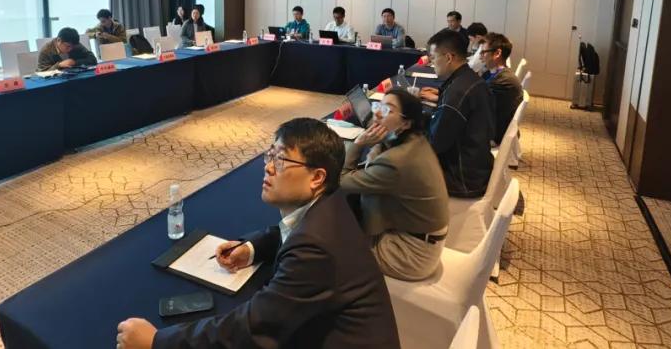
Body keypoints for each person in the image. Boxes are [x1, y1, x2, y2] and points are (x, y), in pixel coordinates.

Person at [116, 118, 399, 349]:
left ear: (317, 177)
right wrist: (251, 248)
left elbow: (255, 327)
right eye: (270, 155)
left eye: (282, 160)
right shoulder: (329, 205)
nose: (268, 167)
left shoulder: (316, 247)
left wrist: (158, 342)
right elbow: (289, 231)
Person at [341, 89, 449, 281]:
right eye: (378, 106)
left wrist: (358, 144)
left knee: (333, 243)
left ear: (406, 123)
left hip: (411, 254)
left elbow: (341, 181)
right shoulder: (415, 140)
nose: (377, 113)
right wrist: (378, 139)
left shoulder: (396, 162)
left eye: (387, 110)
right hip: (421, 237)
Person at [418, 29, 495, 198]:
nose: (431, 62)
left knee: (396, 169)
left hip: (461, 178)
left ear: (448, 58)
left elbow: (434, 145)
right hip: (477, 166)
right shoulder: (470, 79)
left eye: (433, 57)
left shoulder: (456, 93)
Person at [480, 32, 523, 143]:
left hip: (494, 135)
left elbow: (476, 106)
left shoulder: (504, 82)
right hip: (491, 126)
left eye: (483, 52)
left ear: (497, 53)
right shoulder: (496, 74)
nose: (480, 56)